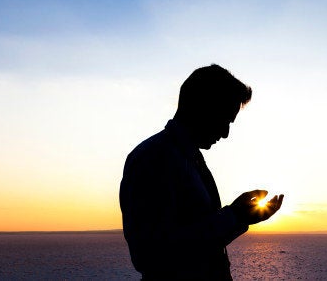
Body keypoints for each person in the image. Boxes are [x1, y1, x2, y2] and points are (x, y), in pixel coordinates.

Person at [119, 64, 284, 280]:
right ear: (202, 107)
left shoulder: (187, 158)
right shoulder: (154, 159)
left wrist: (238, 216)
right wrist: (234, 216)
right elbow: (152, 254)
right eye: (225, 120)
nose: (225, 133)